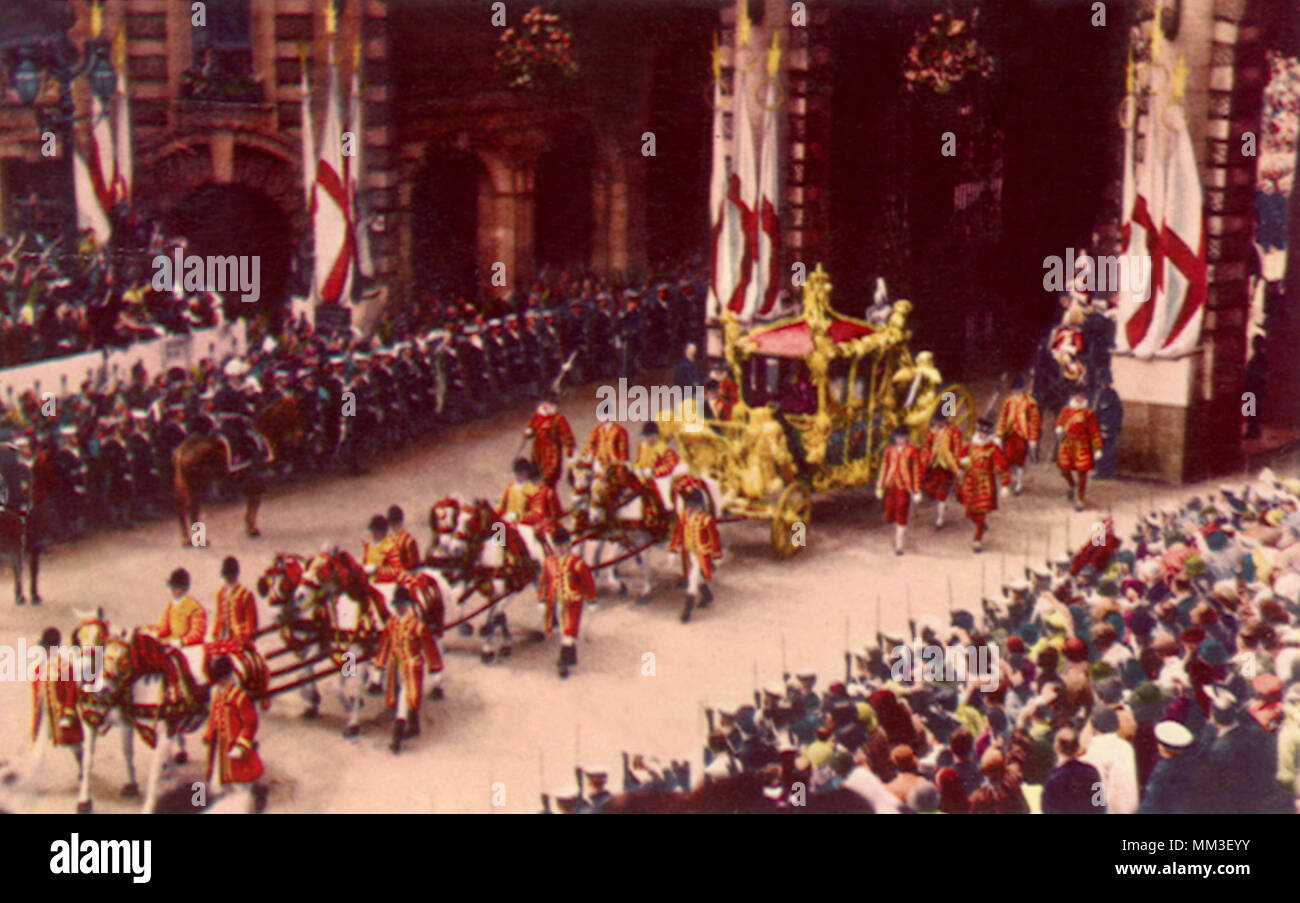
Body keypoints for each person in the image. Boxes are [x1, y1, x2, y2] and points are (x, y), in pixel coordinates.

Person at [372, 586, 442, 754]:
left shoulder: (417, 626)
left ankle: (397, 737)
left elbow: (429, 648)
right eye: (397, 605)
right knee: (403, 696)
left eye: (403, 605)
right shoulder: (391, 624)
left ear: (408, 605)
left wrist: (435, 671)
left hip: (412, 667)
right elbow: (383, 646)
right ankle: (415, 725)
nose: (400, 608)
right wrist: (378, 670)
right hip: (395, 667)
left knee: (405, 698)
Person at [539, 525, 596, 678]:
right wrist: (542, 599)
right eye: (557, 546)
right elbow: (544, 582)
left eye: (563, 545)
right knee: (563, 630)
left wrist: (591, 600)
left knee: (568, 631)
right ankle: (571, 657)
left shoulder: (576, 562)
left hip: (573, 603)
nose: (560, 549)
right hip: (556, 602)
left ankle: (563, 662)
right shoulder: (549, 562)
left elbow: (588, 582)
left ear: (568, 545)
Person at [203, 655, 264, 798]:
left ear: (230, 677)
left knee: (240, 784)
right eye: (219, 682)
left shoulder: (240, 697)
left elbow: (251, 723)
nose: (221, 684)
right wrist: (210, 733)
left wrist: (241, 745)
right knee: (218, 783)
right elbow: (214, 716)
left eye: (223, 680)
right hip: (220, 746)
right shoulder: (216, 694)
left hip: (235, 745)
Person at [957, 419, 1011, 553]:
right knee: (969, 512)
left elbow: (1002, 466)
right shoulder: (969, 446)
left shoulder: (993, 448)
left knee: (981, 513)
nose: (982, 435)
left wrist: (1005, 484)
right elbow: (959, 458)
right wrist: (961, 465)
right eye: (980, 432)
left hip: (985, 485)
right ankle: (981, 525)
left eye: (985, 433)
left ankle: (977, 539)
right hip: (970, 483)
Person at [670, 489, 723, 623]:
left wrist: (716, 556)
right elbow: (678, 533)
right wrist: (673, 549)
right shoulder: (684, 517)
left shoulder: (706, 520)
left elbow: (714, 538)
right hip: (689, 553)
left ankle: (687, 610)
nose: (691, 509)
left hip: (702, 554)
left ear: (700, 506)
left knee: (692, 578)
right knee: (696, 576)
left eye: (694, 506)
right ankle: (707, 595)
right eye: (689, 506)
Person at [30, 626, 83, 753]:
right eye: (45, 649)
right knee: (41, 745)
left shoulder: (64, 667)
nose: (46, 652)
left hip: (61, 711)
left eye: (48, 649)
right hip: (45, 712)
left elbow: (71, 692)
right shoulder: (39, 668)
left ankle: (82, 767)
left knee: (73, 744)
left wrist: (68, 712)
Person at [877, 427, 922, 556]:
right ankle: (897, 536)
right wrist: (880, 486)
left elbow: (915, 471)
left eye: (902, 437)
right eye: (898, 437)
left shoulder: (912, 451)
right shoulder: (890, 451)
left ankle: (899, 544)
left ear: (906, 438)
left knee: (902, 512)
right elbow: (884, 468)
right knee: (890, 513)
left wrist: (917, 490)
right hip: (891, 486)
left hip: (904, 487)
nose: (900, 440)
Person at [1055, 391, 1102, 511]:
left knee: (1082, 474)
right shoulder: (1066, 411)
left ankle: (1080, 499)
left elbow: (1094, 431)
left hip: (1083, 446)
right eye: (1077, 397)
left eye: (1082, 397)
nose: (1079, 399)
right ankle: (1072, 486)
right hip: (1067, 445)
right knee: (1064, 470)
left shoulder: (1088, 414)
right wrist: (1059, 428)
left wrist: (1097, 448)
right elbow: (1059, 423)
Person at [1041, 727, 1105, 813]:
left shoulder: (1053, 779)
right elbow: (1100, 803)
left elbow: (1048, 810)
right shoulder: (1092, 772)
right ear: (1077, 747)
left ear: (1056, 748)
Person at [996, 375, 1040, 495]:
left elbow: (1034, 421)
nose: (1016, 392)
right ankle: (1011, 480)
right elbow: (1002, 418)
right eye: (1014, 390)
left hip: (1022, 435)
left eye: (1018, 390)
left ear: (1022, 389)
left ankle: (1019, 482)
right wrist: (999, 434)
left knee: (1020, 460)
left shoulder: (1029, 402)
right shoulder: (1008, 401)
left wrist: (1033, 438)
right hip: (1010, 434)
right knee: (1009, 458)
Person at [922, 411, 964, 530]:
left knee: (942, 492)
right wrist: (927, 459)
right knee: (931, 488)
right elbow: (926, 447)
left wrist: (957, 466)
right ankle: (942, 505)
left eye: (941, 421)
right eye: (937, 421)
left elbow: (957, 450)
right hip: (934, 465)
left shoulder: (953, 433)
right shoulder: (931, 433)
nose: (939, 423)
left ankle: (940, 518)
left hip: (946, 466)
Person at [523, 397, 574, 489]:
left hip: (552, 452)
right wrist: (528, 432)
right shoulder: (536, 417)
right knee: (535, 474)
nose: (546, 406)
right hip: (537, 451)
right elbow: (529, 431)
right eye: (544, 404)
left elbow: (567, 435)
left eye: (548, 404)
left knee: (549, 476)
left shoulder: (558, 419)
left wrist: (569, 449)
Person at [212, 556, 258, 649]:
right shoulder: (220, 594)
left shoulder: (245, 594)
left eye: (231, 576)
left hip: (241, 641)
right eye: (227, 576)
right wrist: (216, 635)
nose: (228, 579)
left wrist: (245, 638)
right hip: (223, 640)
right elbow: (219, 618)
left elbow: (251, 623)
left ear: (236, 575)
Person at [385, 505, 420, 572]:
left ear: (401, 522)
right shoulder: (387, 539)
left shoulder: (409, 541)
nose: (393, 527)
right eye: (391, 524)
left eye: (395, 524)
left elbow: (414, 565)